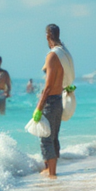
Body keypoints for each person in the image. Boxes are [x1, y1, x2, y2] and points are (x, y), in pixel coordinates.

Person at [32, 24, 73, 178]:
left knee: (46, 139)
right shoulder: (64, 53)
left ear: (47, 36)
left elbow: (48, 86)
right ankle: (50, 170)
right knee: (53, 136)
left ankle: (52, 174)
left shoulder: (52, 56)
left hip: (50, 100)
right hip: (59, 99)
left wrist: (39, 107)